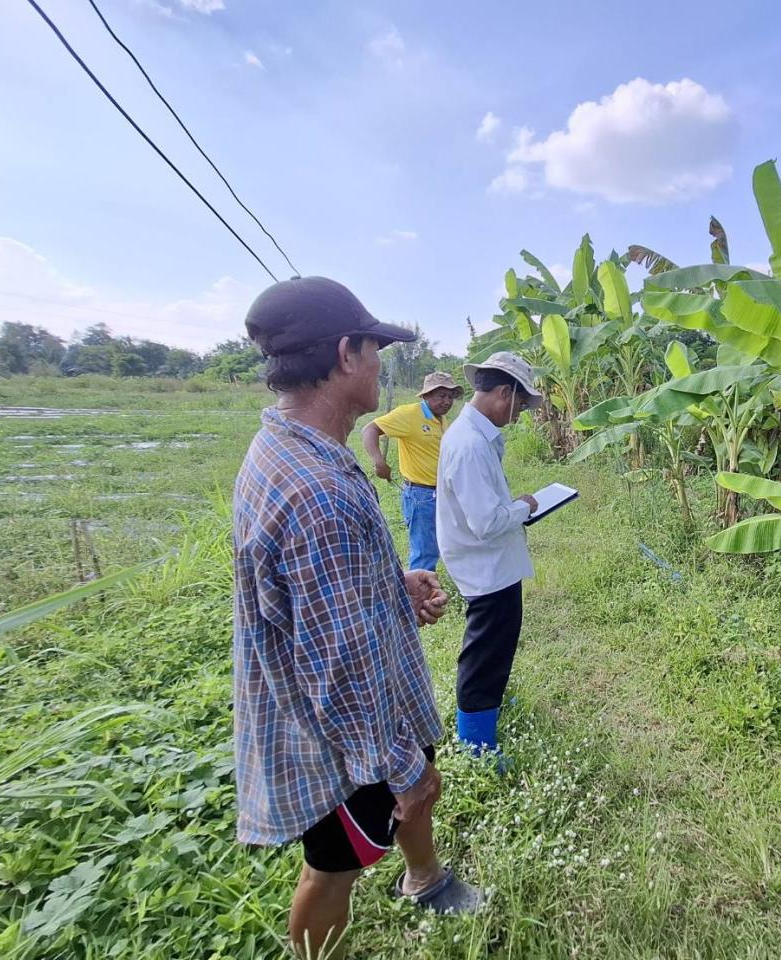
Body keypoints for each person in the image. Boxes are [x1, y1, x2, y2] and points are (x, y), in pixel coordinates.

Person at [232, 276, 482, 960]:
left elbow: (311, 592)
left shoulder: (290, 449)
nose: (381, 365)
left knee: (413, 793)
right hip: (341, 738)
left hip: (371, 702)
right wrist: (398, 765)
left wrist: (392, 585)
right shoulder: (319, 493)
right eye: (375, 350)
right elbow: (337, 669)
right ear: (346, 354)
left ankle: (424, 875)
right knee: (333, 865)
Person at [435, 351, 544, 755]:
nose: (519, 415)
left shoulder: (473, 436)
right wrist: (524, 507)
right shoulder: (469, 445)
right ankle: (476, 744)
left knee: (497, 647)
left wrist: (511, 508)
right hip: (485, 567)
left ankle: (490, 706)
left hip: (492, 563)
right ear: (503, 393)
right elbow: (486, 522)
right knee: (484, 654)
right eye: (520, 404)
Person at [361, 372, 463, 572]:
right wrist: (379, 461)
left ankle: (430, 591)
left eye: (450, 396)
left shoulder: (441, 420)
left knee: (447, 544)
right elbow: (369, 430)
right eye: (441, 395)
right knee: (424, 553)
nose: (447, 401)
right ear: (426, 395)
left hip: (442, 493)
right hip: (421, 496)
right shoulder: (409, 414)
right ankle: (419, 599)